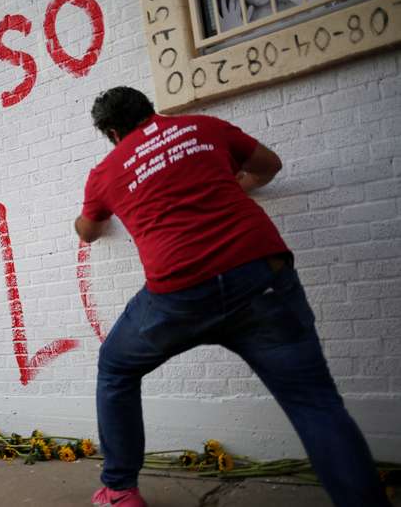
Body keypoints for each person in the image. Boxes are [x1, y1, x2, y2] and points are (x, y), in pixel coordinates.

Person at [75, 87, 390, 507]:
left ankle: (120, 490)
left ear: (112, 132)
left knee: (116, 368)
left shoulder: (106, 172)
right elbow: (269, 166)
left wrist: (84, 219)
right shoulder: (203, 128)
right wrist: (231, 185)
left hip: (178, 296)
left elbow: (89, 230)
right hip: (260, 277)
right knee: (314, 404)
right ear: (150, 110)